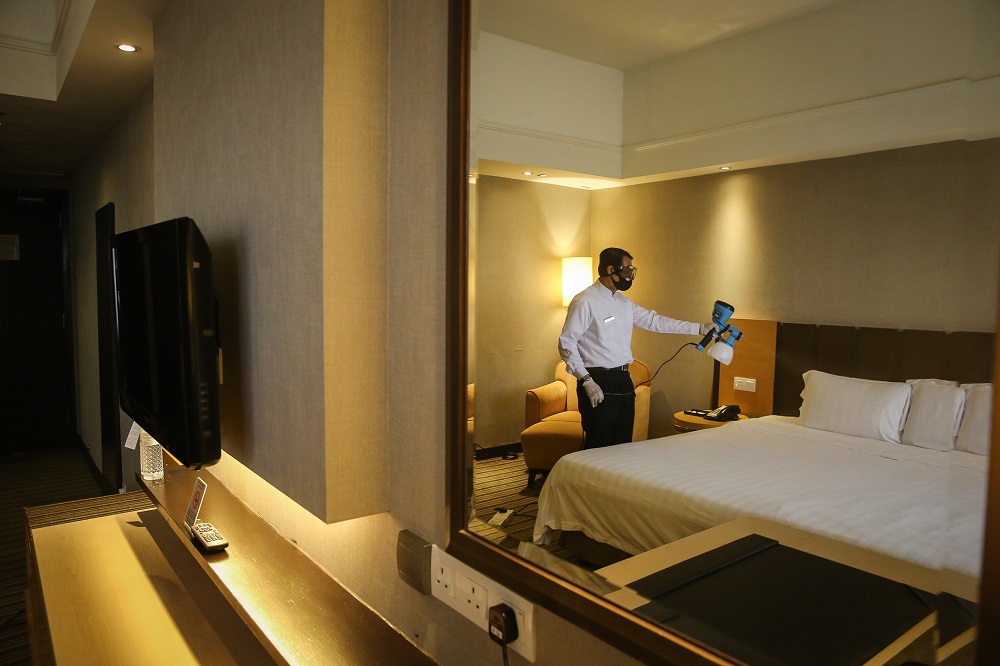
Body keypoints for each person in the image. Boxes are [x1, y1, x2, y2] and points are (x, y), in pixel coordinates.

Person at [558, 247, 715, 449]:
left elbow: (655, 322)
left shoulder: (624, 303)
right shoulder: (584, 301)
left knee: (623, 444)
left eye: (632, 270)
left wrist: (700, 328)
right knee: (599, 444)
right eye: (626, 270)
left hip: (623, 379)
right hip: (597, 380)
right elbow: (567, 343)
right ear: (610, 269)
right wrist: (586, 380)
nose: (629, 275)